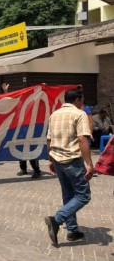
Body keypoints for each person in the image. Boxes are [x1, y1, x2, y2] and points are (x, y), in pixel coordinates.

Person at [44, 88, 93, 246]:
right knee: (83, 196)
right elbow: (82, 139)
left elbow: (49, 139)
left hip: (58, 160)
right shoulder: (80, 114)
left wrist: (50, 159)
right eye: (82, 100)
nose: (83, 103)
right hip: (72, 160)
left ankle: (72, 230)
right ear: (77, 100)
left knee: (68, 195)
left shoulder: (54, 114)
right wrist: (89, 164)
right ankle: (57, 219)